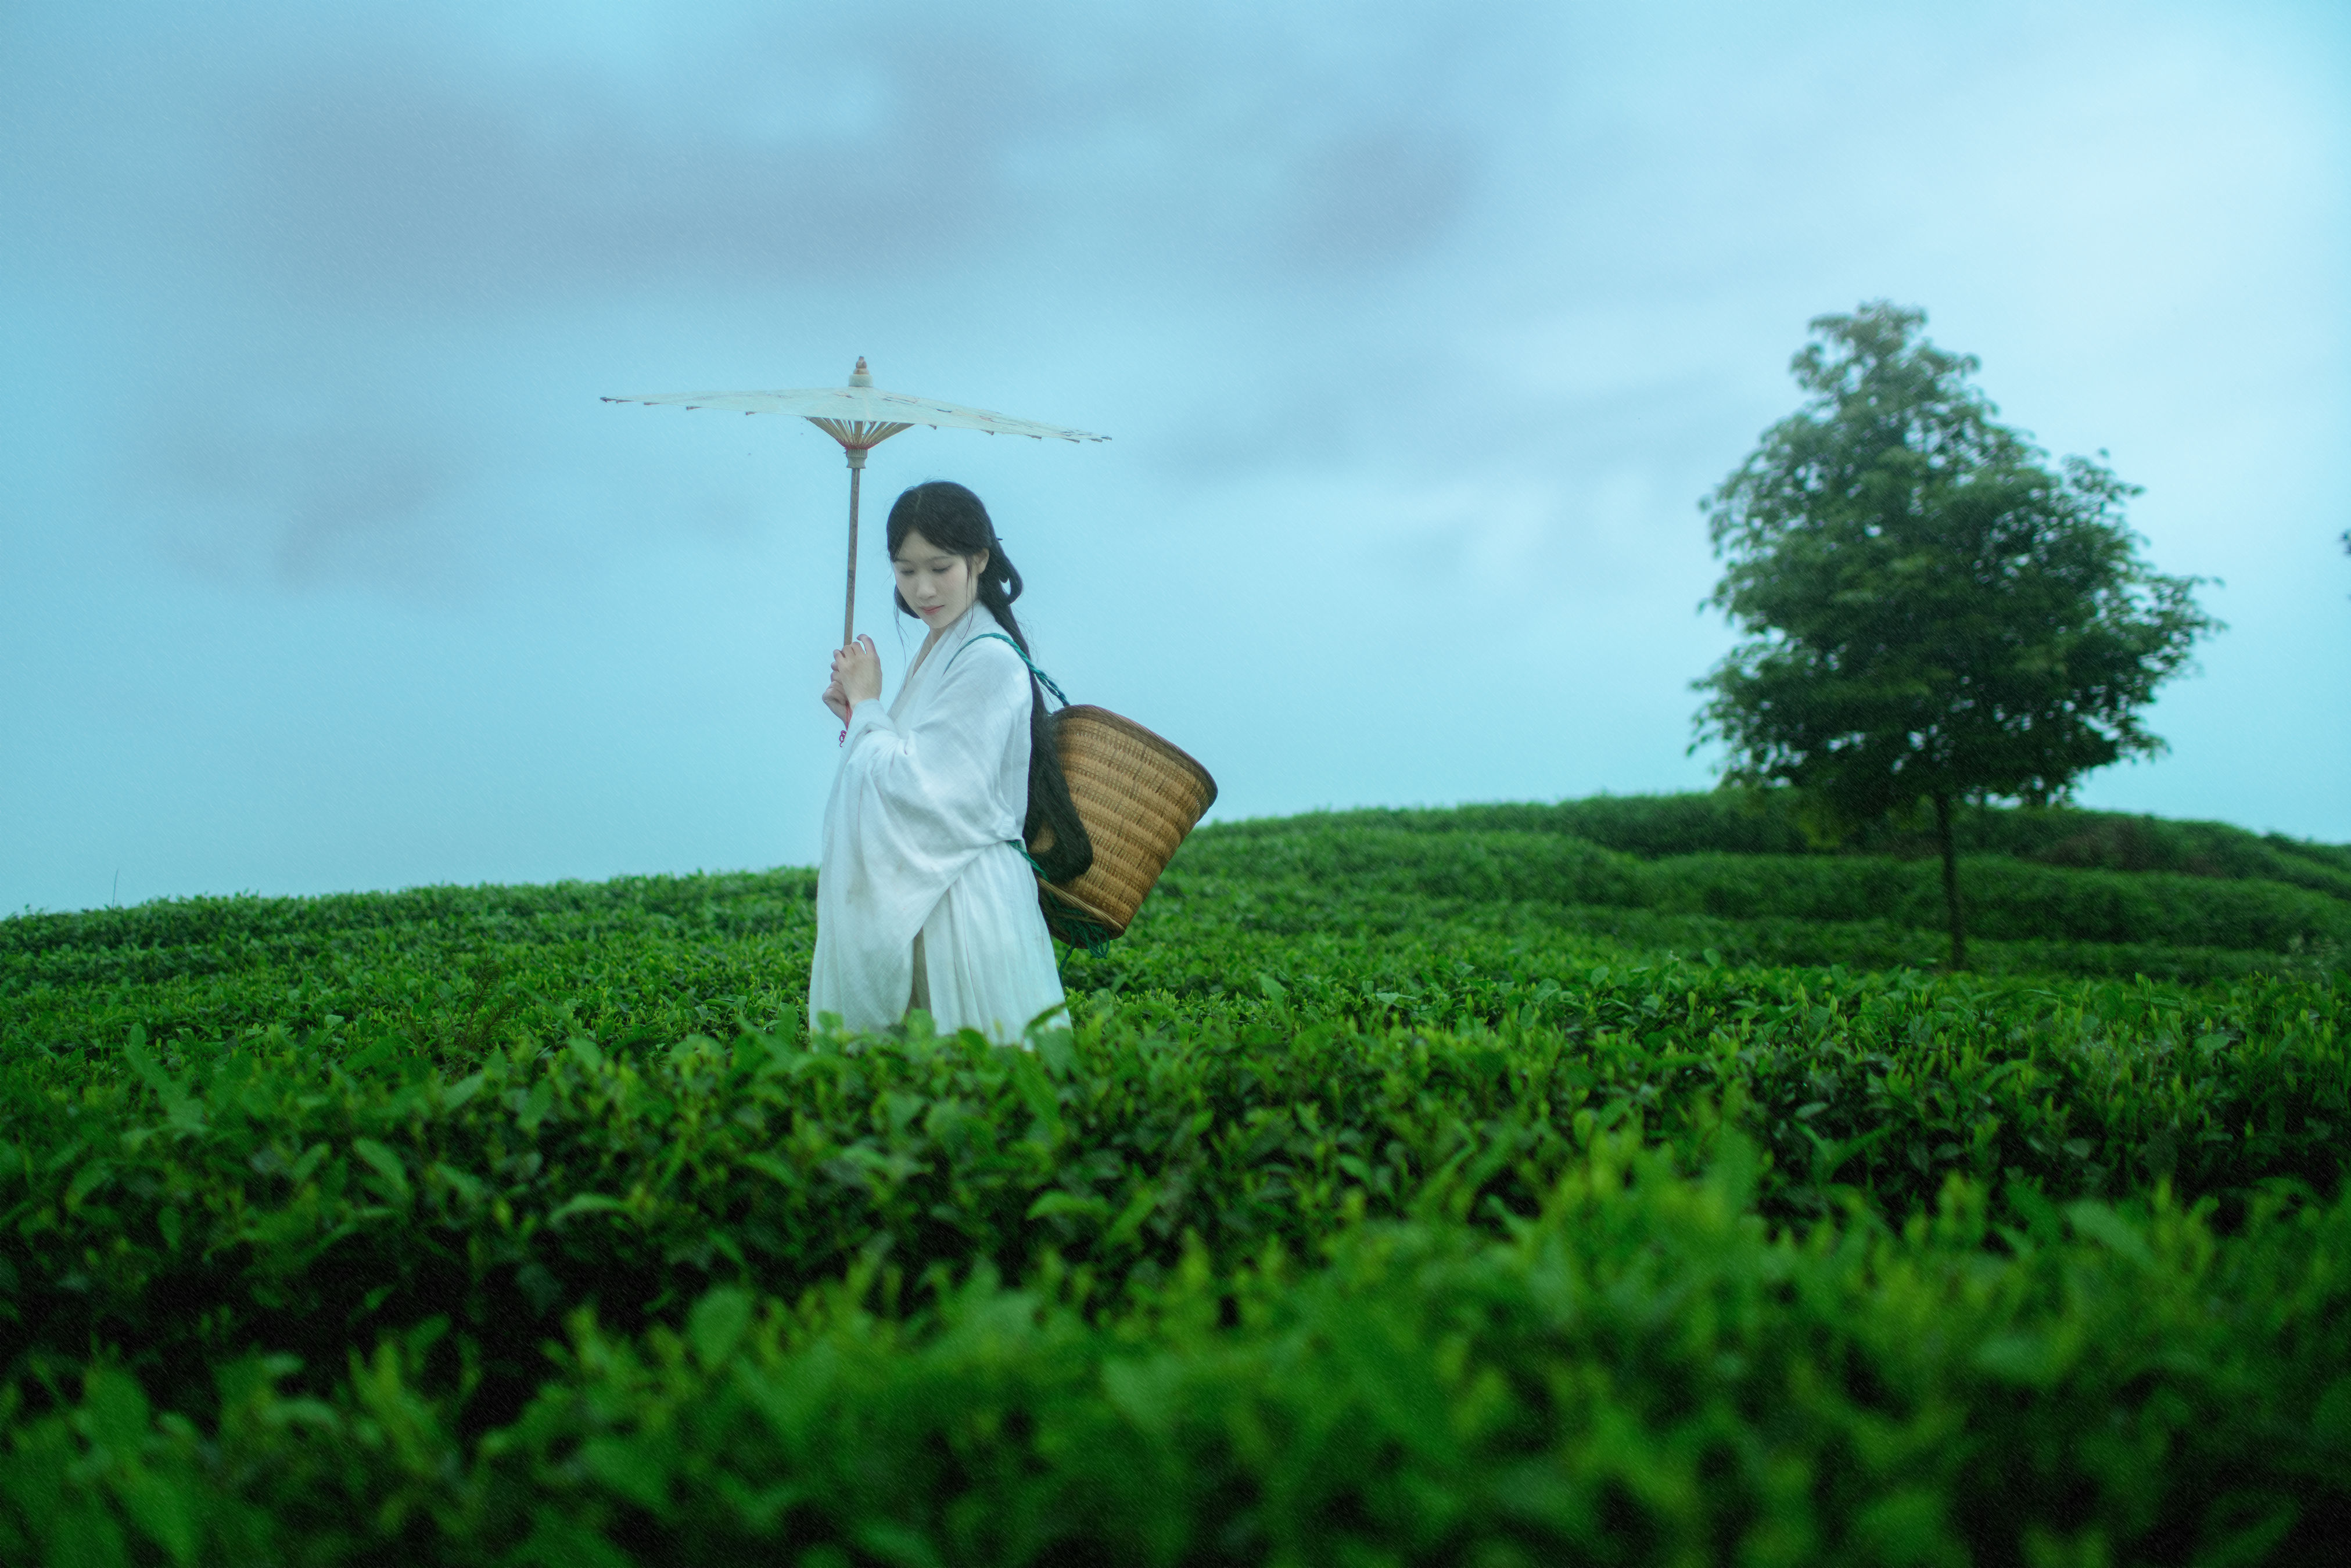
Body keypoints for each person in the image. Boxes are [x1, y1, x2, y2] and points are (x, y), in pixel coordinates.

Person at [809, 480, 1092, 1042]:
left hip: (965, 909)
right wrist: (858, 719)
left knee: (984, 1085)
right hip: (935, 894)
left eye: (939, 567)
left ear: (978, 559)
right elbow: (923, 764)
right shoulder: (942, 645)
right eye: (905, 570)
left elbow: (923, 789)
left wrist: (869, 707)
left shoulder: (985, 658)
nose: (923, 589)